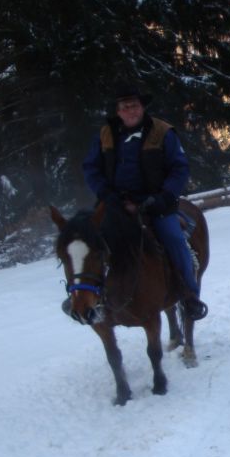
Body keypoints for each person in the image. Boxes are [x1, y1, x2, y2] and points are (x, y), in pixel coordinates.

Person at [82, 83, 208, 321]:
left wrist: (164, 197)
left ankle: (190, 295)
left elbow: (179, 168)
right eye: (125, 106)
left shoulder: (163, 132)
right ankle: (87, 297)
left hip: (156, 204)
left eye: (134, 105)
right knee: (87, 240)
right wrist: (106, 194)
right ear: (118, 111)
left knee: (174, 239)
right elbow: (91, 169)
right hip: (115, 204)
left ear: (142, 107)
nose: (130, 110)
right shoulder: (105, 134)